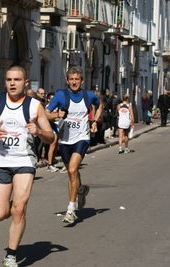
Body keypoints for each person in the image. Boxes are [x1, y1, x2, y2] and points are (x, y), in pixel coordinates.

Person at [0, 65, 54, 267]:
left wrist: (38, 131)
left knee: (19, 210)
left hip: (24, 161)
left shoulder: (35, 106)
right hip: (1, 162)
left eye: (17, 80)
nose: (12, 83)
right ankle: (14, 208)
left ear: (25, 82)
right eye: (9, 79)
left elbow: (50, 137)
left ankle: (11, 255)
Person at [46, 66, 103, 224]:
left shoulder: (88, 96)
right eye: (71, 79)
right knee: (73, 174)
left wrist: (94, 122)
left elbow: (100, 105)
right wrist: (57, 114)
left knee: (71, 170)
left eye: (77, 79)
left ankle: (71, 210)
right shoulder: (60, 96)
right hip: (64, 140)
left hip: (82, 138)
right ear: (67, 81)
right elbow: (45, 113)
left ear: (82, 81)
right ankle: (81, 190)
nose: (74, 82)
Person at [45, 92, 60, 172]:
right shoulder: (48, 107)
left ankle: (52, 161)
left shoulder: (56, 107)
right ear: (48, 99)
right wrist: (54, 117)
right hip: (52, 127)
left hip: (57, 126)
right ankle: (49, 164)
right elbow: (48, 118)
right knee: (52, 145)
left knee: (56, 146)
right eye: (51, 99)